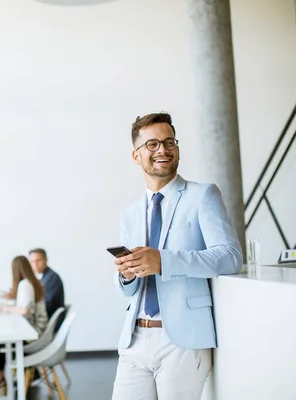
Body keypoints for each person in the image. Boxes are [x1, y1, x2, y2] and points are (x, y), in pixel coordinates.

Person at [112, 112, 242, 400]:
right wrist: (126, 274)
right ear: (136, 156)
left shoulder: (203, 195)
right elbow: (128, 289)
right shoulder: (131, 214)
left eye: (169, 141)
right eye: (153, 144)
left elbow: (230, 256)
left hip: (182, 342)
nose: (163, 150)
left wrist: (164, 261)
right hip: (134, 338)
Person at [0, 255, 48, 397]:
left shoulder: (25, 284)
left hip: (33, 334)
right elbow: (26, 306)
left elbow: (25, 310)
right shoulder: (31, 282)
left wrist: (3, 307)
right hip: (37, 331)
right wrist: (13, 299)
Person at [0, 248, 65, 321]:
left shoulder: (51, 278)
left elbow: (45, 304)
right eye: (32, 262)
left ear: (45, 260)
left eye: (38, 261)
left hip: (49, 321)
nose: (35, 264)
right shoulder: (38, 278)